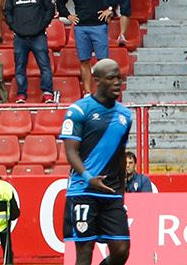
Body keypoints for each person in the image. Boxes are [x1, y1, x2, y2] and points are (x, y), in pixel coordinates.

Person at [61, 58, 131, 265]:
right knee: (84, 252)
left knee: (121, 250)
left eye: (119, 77)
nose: (117, 82)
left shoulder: (125, 115)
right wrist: (88, 178)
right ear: (97, 80)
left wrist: (121, 191)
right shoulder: (79, 110)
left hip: (110, 192)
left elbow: (120, 154)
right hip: (83, 190)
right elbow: (70, 152)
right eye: (111, 78)